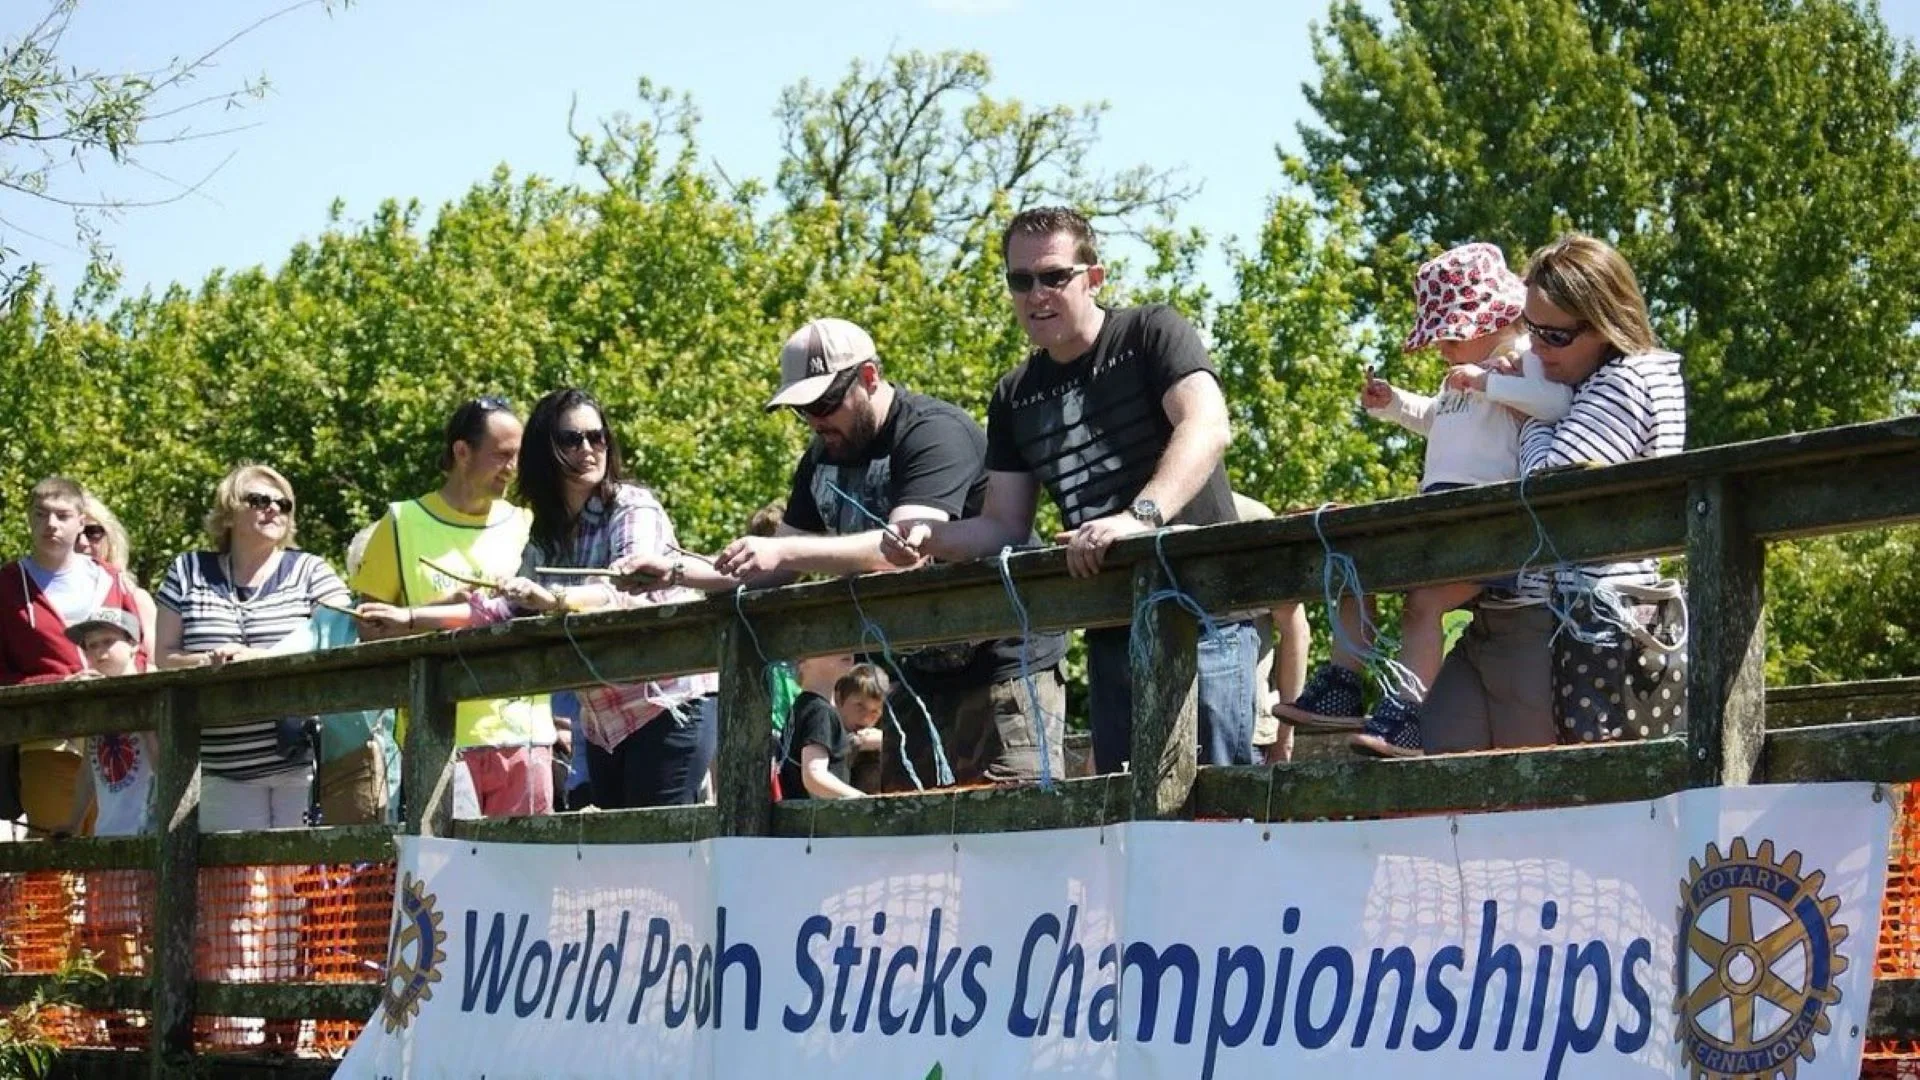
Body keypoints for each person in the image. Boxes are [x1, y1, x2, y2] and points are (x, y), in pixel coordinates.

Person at [645, 317, 1069, 791]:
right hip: (916, 679)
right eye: (801, 409)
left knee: (1019, 831)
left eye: (825, 402)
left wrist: (782, 549)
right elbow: (770, 571)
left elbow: (902, 547)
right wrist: (676, 571)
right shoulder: (821, 457)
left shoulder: (933, 431)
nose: (815, 420)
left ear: (868, 377)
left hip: (1003, 667)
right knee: (911, 845)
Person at [904, 207, 1256, 775]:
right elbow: (1003, 526)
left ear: (1094, 278)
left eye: (1052, 276)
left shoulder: (1150, 332)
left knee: (1217, 807)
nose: (1035, 294)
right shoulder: (1015, 393)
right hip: (1111, 625)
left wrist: (1140, 517)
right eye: (1020, 281)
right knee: (1129, 818)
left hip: (1204, 613)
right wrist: (928, 537)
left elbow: (1209, 425)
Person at [1275, 242, 1573, 758]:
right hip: (1440, 515)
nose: (1439, 349)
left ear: (1487, 321)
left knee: (1423, 603)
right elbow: (1437, 418)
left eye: (1447, 337)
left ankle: (1406, 712)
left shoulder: (1520, 362)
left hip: (1486, 523)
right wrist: (1393, 405)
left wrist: (1490, 385)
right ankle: (1344, 681)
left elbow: (1557, 402)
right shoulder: (1461, 376)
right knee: (1353, 563)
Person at [1419, 233, 1685, 754]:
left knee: (1561, 796)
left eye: (1555, 338)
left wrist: (1526, 414)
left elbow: (1546, 488)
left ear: (1606, 323)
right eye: (1532, 328)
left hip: (1591, 626)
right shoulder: (1605, 378)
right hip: (1566, 619)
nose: (1536, 348)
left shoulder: (1623, 385)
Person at [470, 388, 718, 810]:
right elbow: (508, 606)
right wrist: (412, 617)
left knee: (654, 855)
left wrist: (554, 601)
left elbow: (626, 588)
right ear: (544, 451)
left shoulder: (633, 506)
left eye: (597, 436)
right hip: (604, 721)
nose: (588, 449)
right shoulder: (546, 533)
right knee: (616, 863)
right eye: (571, 439)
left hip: (668, 704)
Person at [350, 396, 556, 819]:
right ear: (462, 452)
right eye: (502, 455)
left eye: (518, 456)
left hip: (525, 733)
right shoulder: (401, 523)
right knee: (449, 880)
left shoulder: (527, 524)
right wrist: (437, 609)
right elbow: (367, 630)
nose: (514, 468)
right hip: (439, 735)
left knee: (526, 879)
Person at [0, 477, 146, 836]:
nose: (51, 525)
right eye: (41, 514)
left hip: (118, 736)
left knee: (117, 851)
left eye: (62, 515)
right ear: (29, 519)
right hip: (48, 736)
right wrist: (59, 685)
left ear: (81, 521)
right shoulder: (7, 584)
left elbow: (139, 650)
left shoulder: (112, 580)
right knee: (53, 858)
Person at [56, 606, 151, 1048]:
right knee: (109, 937)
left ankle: (155, 1017)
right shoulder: (91, 703)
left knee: (152, 933)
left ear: (133, 644)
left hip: (149, 834)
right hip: (108, 836)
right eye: (89, 646)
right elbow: (86, 774)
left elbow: (164, 751)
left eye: (106, 642)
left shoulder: (153, 690)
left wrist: (127, 700)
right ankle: (117, 1025)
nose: (97, 653)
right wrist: (72, 825)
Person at [263, 524, 400, 825]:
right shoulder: (331, 621)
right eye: (369, 568)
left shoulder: (423, 618)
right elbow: (276, 657)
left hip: (419, 777)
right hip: (350, 785)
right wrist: (238, 655)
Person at [1226, 495, 1311, 764]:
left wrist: (1285, 734)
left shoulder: (1250, 515)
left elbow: (1294, 629)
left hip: (1246, 730)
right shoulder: (1132, 514)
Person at [75, 494, 158, 660]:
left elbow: (156, 664)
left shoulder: (136, 599)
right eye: (74, 534)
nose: (82, 542)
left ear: (110, 536)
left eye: (93, 532)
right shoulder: (41, 598)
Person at [778, 655, 865, 801]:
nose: (847, 647)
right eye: (832, 640)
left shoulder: (804, 706)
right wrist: (863, 800)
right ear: (802, 660)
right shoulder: (819, 711)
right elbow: (814, 777)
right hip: (815, 820)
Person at [834, 662, 889, 792]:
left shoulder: (880, 738)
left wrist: (886, 744)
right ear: (838, 698)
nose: (866, 717)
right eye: (859, 706)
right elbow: (832, 768)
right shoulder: (828, 727)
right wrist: (857, 744)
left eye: (875, 711)